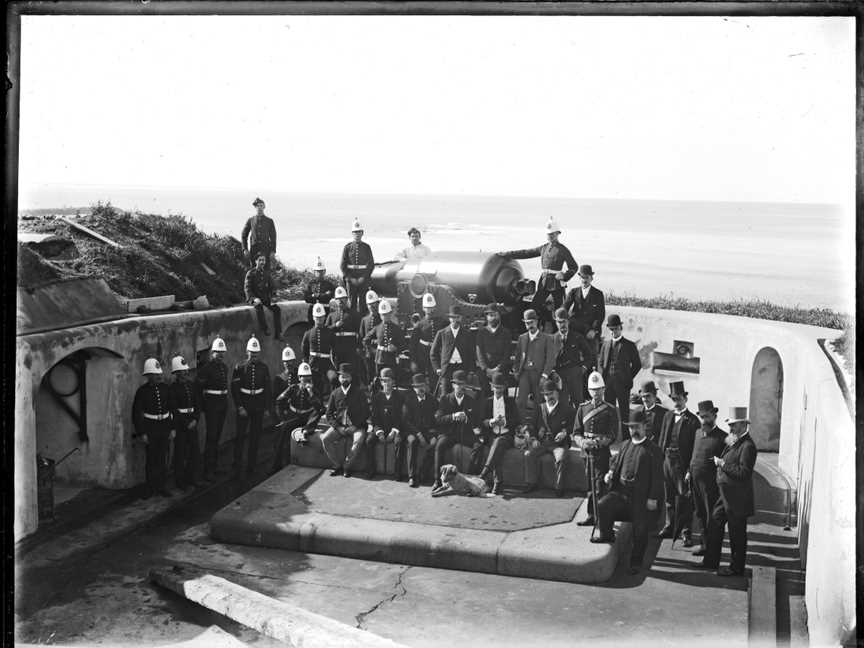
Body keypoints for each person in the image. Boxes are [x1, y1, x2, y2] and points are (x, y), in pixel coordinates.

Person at [592, 410, 664, 576]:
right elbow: (615, 463)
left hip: (641, 498)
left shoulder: (653, 450)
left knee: (640, 528)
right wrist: (610, 473)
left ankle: (636, 562)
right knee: (603, 505)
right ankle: (607, 535)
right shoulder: (625, 445)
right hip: (621, 493)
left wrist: (652, 498)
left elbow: (658, 479)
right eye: (631, 427)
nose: (633, 431)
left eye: (637, 427)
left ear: (644, 427)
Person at [703, 407, 758, 576]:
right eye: (730, 425)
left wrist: (722, 465)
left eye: (733, 425)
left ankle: (736, 568)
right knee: (714, 523)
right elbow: (723, 451)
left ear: (743, 425)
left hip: (737, 498)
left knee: (737, 535)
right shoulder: (733, 439)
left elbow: (743, 473)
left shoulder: (748, 446)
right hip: (725, 495)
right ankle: (711, 562)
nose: (730, 428)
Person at [498, 217, 578, 327]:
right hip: (544, 282)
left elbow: (574, 267)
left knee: (559, 311)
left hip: (556, 284)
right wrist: (508, 254)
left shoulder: (563, 250)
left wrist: (564, 275)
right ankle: (531, 330)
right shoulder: (544, 248)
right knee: (534, 306)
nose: (550, 236)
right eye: (548, 234)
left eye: (552, 234)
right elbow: (526, 253)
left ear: (557, 234)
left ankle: (558, 334)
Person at [655, 381, 700, 546]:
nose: (676, 402)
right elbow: (661, 440)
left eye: (679, 398)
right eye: (674, 399)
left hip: (682, 465)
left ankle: (686, 532)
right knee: (669, 498)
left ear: (685, 398)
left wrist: (689, 469)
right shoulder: (667, 416)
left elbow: (696, 448)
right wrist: (659, 462)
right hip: (667, 461)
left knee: (684, 499)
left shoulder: (693, 421)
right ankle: (669, 526)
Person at [573, 371, 619, 526]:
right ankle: (591, 515)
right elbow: (576, 432)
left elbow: (613, 434)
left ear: (604, 389)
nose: (596, 393)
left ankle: (602, 517)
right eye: (593, 390)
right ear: (589, 391)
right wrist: (583, 443)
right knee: (589, 486)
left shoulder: (610, 409)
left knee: (600, 486)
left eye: (599, 389)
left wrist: (599, 442)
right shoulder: (582, 408)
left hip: (601, 453)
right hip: (587, 453)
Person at [687, 400, 727, 557]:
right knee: (700, 514)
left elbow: (725, 463)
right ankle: (704, 545)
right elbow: (694, 455)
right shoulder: (697, 433)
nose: (704, 420)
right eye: (702, 417)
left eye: (707, 416)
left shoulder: (723, 438)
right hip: (695, 482)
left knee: (712, 518)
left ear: (715, 416)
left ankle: (712, 551)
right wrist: (689, 471)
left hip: (711, 486)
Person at [523, 378, 576, 497]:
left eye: (551, 394)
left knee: (561, 458)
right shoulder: (539, 408)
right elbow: (530, 425)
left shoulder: (567, 409)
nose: (548, 397)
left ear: (557, 393)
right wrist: (533, 439)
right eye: (546, 395)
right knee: (528, 455)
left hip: (558, 444)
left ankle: (559, 486)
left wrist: (565, 432)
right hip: (542, 442)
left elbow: (574, 425)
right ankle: (531, 482)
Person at [230, 336, 272, 480]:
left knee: (255, 436)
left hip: (258, 405)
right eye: (251, 354)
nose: (253, 356)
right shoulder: (239, 367)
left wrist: (266, 408)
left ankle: (251, 466)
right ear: (247, 352)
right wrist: (239, 406)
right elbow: (234, 388)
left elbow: (267, 388)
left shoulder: (263, 368)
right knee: (240, 436)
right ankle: (237, 465)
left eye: (256, 354)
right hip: (244, 403)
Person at [132, 358, 174, 498]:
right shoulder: (142, 392)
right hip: (151, 428)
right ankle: (150, 487)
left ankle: (161, 486)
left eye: (159, 374)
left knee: (162, 458)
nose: (159, 377)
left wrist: (172, 428)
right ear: (149, 375)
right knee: (151, 460)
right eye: (156, 375)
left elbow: (171, 409)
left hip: (164, 427)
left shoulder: (165, 389)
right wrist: (142, 432)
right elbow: (137, 413)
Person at [321, 363, 370, 478]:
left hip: (356, 427)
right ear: (338, 378)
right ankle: (337, 465)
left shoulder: (359, 393)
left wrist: (356, 425)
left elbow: (366, 412)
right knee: (325, 439)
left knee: (358, 441)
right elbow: (328, 414)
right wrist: (338, 427)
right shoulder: (335, 393)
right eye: (342, 376)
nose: (344, 379)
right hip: (340, 427)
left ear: (351, 378)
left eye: (347, 376)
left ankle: (346, 467)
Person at [433, 370, 481, 487]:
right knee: (440, 445)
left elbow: (476, 421)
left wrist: (467, 418)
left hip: (465, 433)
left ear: (465, 385)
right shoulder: (445, 399)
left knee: (478, 446)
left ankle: (470, 478)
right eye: (457, 384)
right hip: (449, 433)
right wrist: (453, 416)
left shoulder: (471, 400)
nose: (460, 387)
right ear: (453, 385)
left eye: (462, 384)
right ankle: (437, 480)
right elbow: (438, 420)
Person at [475, 371, 521, 495]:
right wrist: (491, 422)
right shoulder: (487, 402)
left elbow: (517, 420)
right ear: (491, 386)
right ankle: (498, 482)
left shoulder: (510, 402)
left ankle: (484, 472)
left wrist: (505, 422)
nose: (498, 390)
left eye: (500, 388)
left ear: (504, 387)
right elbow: (481, 422)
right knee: (496, 448)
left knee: (499, 442)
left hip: (506, 435)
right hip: (492, 434)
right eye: (496, 387)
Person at [597, 314, 641, 438]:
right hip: (608, 383)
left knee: (624, 412)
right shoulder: (605, 344)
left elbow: (637, 364)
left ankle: (626, 437)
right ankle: (611, 435)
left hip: (623, 384)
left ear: (621, 328)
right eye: (611, 329)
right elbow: (601, 362)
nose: (613, 332)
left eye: (616, 329)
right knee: (610, 411)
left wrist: (628, 377)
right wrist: (603, 378)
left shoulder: (629, 345)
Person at [196, 337, 231, 482]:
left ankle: (214, 466)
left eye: (222, 352)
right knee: (211, 438)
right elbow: (199, 390)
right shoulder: (206, 369)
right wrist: (204, 407)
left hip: (222, 404)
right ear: (212, 353)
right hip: (211, 406)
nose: (221, 355)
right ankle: (208, 470)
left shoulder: (224, 367)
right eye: (218, 352)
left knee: (217, 437)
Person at [513, 309, 556, 416]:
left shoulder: (546, 338)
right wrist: (516, 371)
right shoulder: (522, 338)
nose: (529, 325)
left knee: (539, 402)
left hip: (539, 374)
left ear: (537, 322)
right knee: (521, 401)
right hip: (525, 373)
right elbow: (517, 357)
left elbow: (550, 360)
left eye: (531, 322)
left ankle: (538, 427)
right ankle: (523, 426)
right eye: (527, 323)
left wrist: (545, 375)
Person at [167, 355, 201, 490]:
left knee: (194, 452)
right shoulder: (173, 388)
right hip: (181, 425)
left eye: (186, 370)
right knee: (180, 454)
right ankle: (180, 482)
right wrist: (186, 422)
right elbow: (174, 409)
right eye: (182, 371)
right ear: (176, 373)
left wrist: (195, 419)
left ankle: (191, 478)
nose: (186, 373)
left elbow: (198, 403)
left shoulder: (191, 386)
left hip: (192, 423)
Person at [367, 368, 406, 480]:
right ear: (381, 382)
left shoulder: (400, 397)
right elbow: (374, 418)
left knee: (399, 442)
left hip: (395, 428)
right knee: (369, 440)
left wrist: (394, 431)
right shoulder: (376, 397)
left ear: (393, 382)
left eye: (389, 380)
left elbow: (401, 417)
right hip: (381, 428)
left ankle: (397, 472)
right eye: (384, 381)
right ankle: (371, 469)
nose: (386, 383)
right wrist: (379, 432)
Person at [402, 373, 439, 487]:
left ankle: (423, 473)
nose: (421, 389)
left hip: (428, 431)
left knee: (434, 444)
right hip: (413, 431)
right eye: (418, 386)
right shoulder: (409, 400)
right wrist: (418, 434)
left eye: (422, 385)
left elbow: (437, 417)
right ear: (414, 388)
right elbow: (406, 421)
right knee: (412, 442)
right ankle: (412, 476)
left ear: (426, 386)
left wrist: (433, 435)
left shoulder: (432, 400)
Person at [430, 305, 476, 397]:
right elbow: (433, 353)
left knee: (461, 394)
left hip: (462, 368)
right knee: (445, 394)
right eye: (452, 317)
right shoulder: (442, 333)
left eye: (457, 317)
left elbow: (471, 353)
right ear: (449, 318)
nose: (455, 320)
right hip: (447, 369)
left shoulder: (467, 334)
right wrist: (437, 368)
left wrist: (471, 370)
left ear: (461, 318)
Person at [551, 307, 593, 407]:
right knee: (562, 404)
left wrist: (583, 368)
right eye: (559, 322)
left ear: (568, 322)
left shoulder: (577, 337)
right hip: (560, 375)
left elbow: (589, 355)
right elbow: (548, 359)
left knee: (579, 403)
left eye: (564, 321)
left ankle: (579, 422)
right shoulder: (552, 339)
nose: (562, 325)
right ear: (556, 323)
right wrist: (553, 373)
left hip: (575, 374)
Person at [563, 264, 605, 357]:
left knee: (591, 355)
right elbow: (564, 308)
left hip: (591, 330)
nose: (584, 280)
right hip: (575, 328)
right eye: (582, 277)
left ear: (591, 278)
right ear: (579, 278)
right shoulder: (573, 292)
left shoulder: (598, 294)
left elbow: (600, 315)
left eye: (587, 277)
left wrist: (593, 330)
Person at [475, 303, 513, 397]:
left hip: (501, 368)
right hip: (486, 368)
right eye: (490, 315)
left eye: (495, 315)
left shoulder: (506, 333)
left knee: (501, 384)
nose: (493, 318)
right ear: (487, 317)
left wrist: (498, 368)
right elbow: (479, 353)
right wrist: (486, 369)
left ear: (499, 316)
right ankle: (486, 407)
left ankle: (504, 408)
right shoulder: (481, 332)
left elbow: (507, 353)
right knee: (483, 386)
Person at [301, 302, 337, 398]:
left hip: (326, 362)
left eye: (321, 317)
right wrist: (307, 362)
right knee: (317, 385)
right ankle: (319, 406)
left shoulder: (329, 332)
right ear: (313, 318)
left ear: (324, 317)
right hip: (314, 363)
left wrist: (335, 363)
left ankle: (332, 401)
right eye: (317, 317)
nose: (319, 320)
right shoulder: (308, 333)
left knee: (333, 378)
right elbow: (304, 349)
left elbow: (335, 348)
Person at [340, 218, 375, 312]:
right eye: (355, 232)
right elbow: (343, 265)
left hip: (363, 279)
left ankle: (362, 324)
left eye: (359, 232)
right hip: (351, 280)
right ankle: (353, 324)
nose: (357, 234)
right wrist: (351, 278)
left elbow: (371, 264)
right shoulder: (347, 247)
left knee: (363, 303)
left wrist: (363, 278)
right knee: (352, 303)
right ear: (352, 233)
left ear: (362, 233)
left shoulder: (366, 247)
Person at [244, 252, 282, 338]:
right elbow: (247, 288)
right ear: (255, 261)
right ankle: (265, 328)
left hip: (265, 298)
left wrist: (273, 297)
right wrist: (253, 298)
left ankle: (278, 333)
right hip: (254, 298)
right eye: (260, 260)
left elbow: (272, 287)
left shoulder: (266, 274)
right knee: (259, 307)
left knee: (277, 309)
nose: (262, 262)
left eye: (263, 260)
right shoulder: (251, 273)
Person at [410, 292, 444, 385]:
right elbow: (413, 344)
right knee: (421, 379)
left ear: (435, 307)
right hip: (422, 353)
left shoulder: (441, 322)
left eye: (431, 307)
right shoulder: (419, 325)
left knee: (434, 379)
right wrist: (413, 361)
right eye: (427, 307)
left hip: (436, 354)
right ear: (423, 308)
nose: (429, 310)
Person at [366, 300, 406, 378]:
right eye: (383, 315)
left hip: (392, 359)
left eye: (387, 314)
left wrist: (396, 348)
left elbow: (403, 344)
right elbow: (365, 340)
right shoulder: (377, 328)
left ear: (390, 314)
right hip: (379, 359)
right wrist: (373, 349)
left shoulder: (397, 329)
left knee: (392, 378)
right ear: (380, 315)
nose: (384, 317)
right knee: (378, 378)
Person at [326, 285, 362, 370]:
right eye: (338, 299)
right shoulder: (331, 315)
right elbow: (326, 331)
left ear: (346, 299)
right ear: (335, 301)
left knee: (352, 369)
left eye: (342, 298)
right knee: (338, 369)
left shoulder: (354, 314)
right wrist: (335, 325)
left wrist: (359, 346)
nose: (340, 301)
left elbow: (360, 332)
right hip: (337, 348)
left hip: (350, 347)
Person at [241, 197, 277, 273]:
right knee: (254, 271)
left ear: (264, 207)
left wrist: (273, 251)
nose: (259, 207)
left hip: (266, 250)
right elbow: (244, 235)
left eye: (261, 205)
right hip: (254, 250)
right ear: (255, 207)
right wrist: (245, 249)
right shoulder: (251, 220)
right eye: (258, 206)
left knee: (266, 271)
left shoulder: (269, 221)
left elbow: (273, 237)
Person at [358, 290, 382, 385]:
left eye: (374, 304)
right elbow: (361, 336)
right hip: (368, 353)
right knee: (369, 374)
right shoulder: (364, 320)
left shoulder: (382, 318)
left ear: (378, 304)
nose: (372, 307)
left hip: (380, 353)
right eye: (370, 305)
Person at [303, 257, 336, 323]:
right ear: (314, 272)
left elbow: (328, 297)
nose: (319, 273)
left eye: (321, 271)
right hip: (312, 311)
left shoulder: (329, 284)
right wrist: (323, 295)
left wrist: (314, 295)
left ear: (324, 272)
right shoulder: (310, 284)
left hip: (325, 311)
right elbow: (306, 298)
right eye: (317, 271)